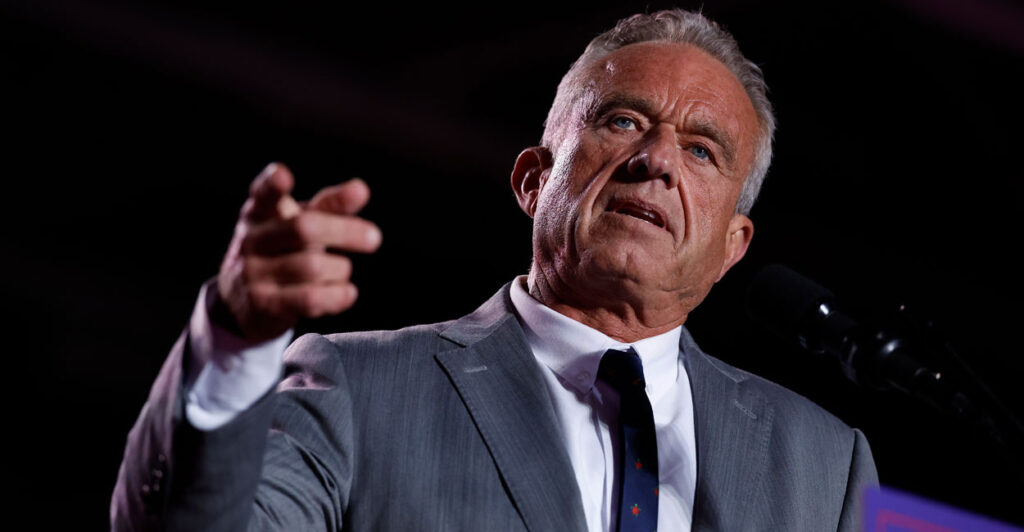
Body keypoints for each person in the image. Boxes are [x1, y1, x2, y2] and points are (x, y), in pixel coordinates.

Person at [112, 8, 877, 532]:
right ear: (533, 181)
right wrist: (234, 341)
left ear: (733, 244)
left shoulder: (825, 465)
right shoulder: (356, 390)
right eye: (622, 120)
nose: (656, 160)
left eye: (702, 150)